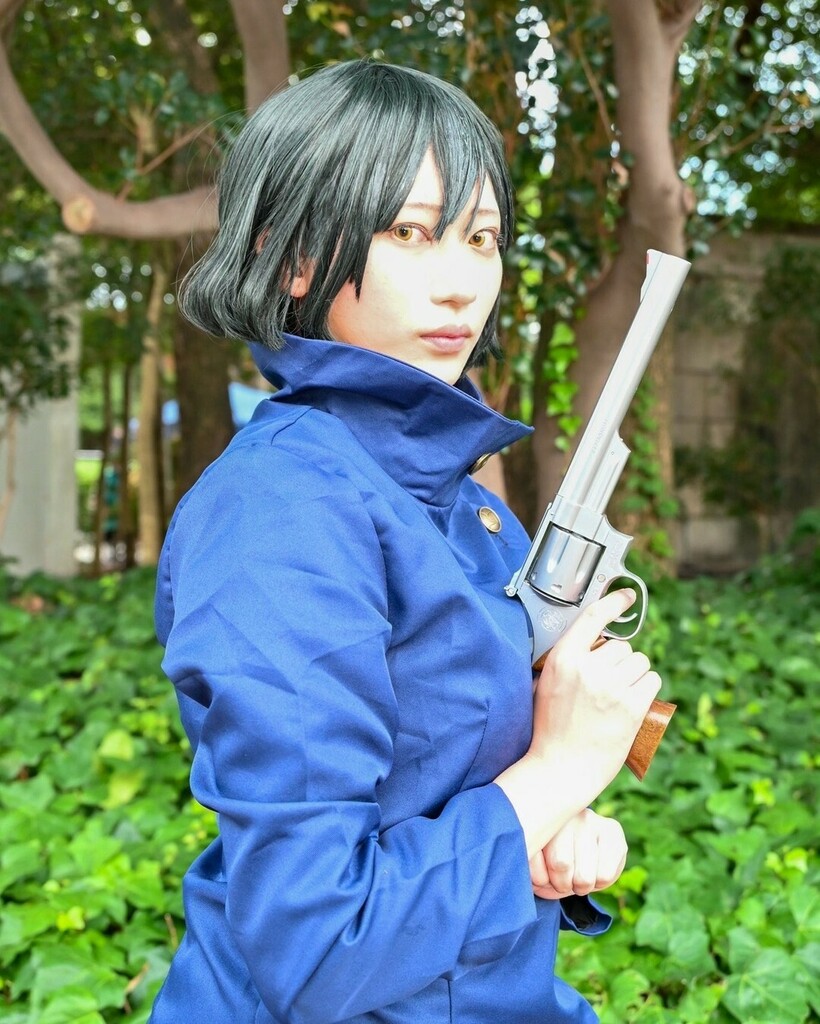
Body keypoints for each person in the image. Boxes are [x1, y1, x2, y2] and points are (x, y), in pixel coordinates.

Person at [150, 59, 662, 1024]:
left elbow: (449, 776)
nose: (462, 284)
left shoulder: (459, 500)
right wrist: (554, 775)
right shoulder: (280, 509)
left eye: (482, 238)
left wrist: (559, 826)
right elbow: (319, 946)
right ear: (292, 258)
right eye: (410, 233)